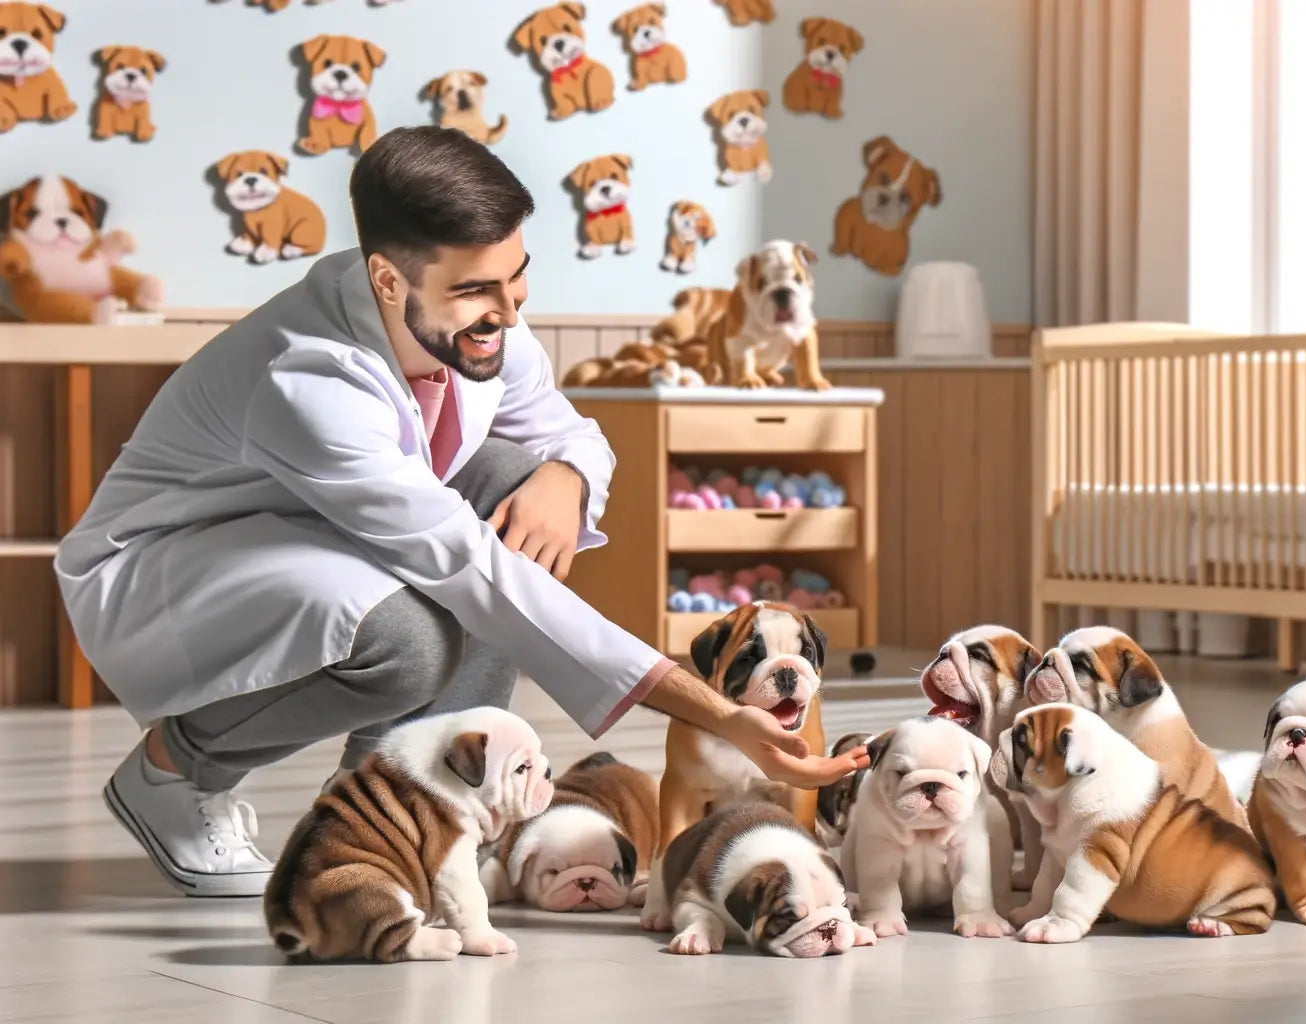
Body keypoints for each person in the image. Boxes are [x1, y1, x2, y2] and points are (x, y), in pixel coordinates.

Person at [54, 126, 865, 898]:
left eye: (516, 278)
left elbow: (569, 432)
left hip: (311, 528)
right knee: (411, 641)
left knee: (518, 472)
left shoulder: (472, 320)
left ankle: (402, 814)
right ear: (385, 279)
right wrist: (720, 713)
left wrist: (568, 479)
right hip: (172, 561)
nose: (508, 314)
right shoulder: (312, 382)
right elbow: (475, 574)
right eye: (478, 289)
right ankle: (173, 769)